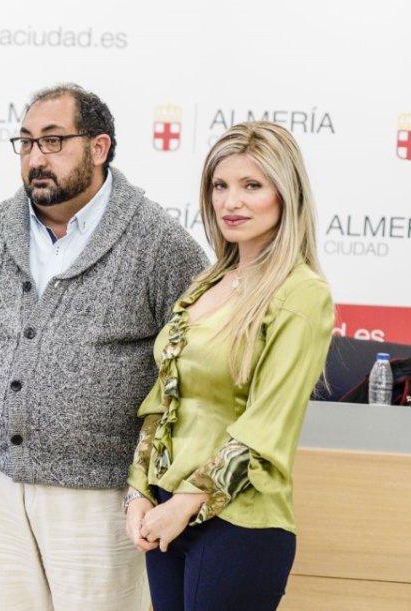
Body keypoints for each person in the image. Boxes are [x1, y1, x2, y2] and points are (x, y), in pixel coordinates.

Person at [0, 83, 207, 610]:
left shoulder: (159, 243)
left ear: (99, 148)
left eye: (52, 141)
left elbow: (191, 371)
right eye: (25, 143)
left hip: (103, 494)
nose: (35, 158)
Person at [125, 122, 333, 610]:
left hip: (241, 522)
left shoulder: (302, 294)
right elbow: (163, 402)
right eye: (221, 185)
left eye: (252, 186)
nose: (230, 202)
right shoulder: (205, 284)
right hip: (167, 507)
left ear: (286, 194)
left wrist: (186, 503)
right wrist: (138, 492)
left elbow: (266, 427)